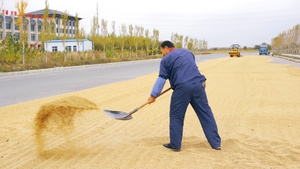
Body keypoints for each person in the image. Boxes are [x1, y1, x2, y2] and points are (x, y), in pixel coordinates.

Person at [148, 41, 221, 152]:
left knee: (176, 116)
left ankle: (175, 145)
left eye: (161, 51)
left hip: (182, 88)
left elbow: (162, 78)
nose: (162, 53)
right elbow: (187, 67)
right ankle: (216, 144)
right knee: (206, 113)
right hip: (198, 85)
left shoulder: (165, 59)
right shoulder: (188, 53)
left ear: (166, 48)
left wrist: (153, 95)